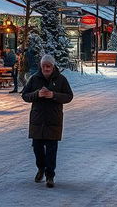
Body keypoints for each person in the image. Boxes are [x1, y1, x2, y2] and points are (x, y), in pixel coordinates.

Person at [22, 54, 74, 188]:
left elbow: (69, 96)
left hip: (53, 119)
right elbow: (25, 95)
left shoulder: (61, 79)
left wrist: (53, 95)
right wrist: (37, 94)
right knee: (37, 148)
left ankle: (50, 175)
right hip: (37, 119)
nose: (46, 68)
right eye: (44, 66)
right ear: (41, 66)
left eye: (48, 66)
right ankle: (41, 168)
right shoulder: (34, 79)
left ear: (53, 66)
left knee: (51, 149)